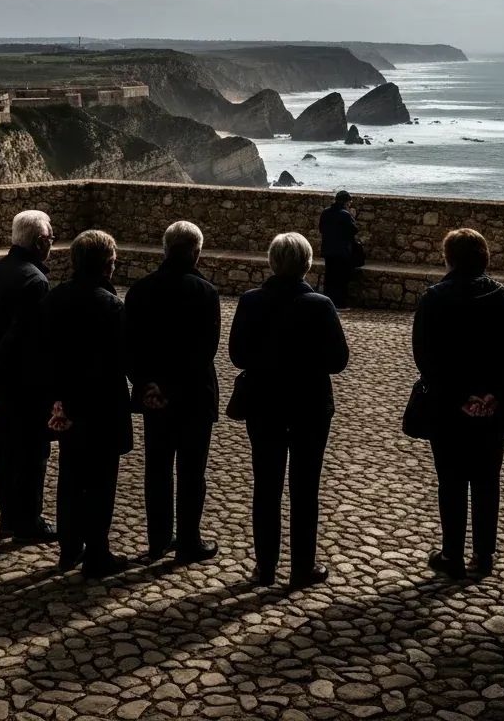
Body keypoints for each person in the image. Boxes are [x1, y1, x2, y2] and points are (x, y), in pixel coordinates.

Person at [411, 228, 504, 579]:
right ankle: (484, 554)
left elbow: (425, 358)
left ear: (449, 259)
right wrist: (494, 395)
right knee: (486, 480)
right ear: (484, 258)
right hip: (492, 410)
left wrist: (460, 399)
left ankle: (452, 554)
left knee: (450, 480)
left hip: (447, 408)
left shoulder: (433, 299)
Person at [229, 232, 348, 588]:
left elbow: (237, 355)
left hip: (264, 403)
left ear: (272, 261)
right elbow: (338, 360)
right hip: (309, 405)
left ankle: (265, 568)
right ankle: (302, 567)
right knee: (305, 486)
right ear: (307, 264)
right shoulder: (320, 305)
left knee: (266, 485)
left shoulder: (251, 301)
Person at [125, 221, 221, 564]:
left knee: (158, 468)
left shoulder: (139, 290)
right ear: (196, 253)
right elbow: (204, 352)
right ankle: (189, 541)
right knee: (192, 471)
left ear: (164, 249)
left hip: (154, 397)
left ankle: (158, 539)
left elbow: (130, 348)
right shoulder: (205, 293)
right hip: (194, 396)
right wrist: (174, 387)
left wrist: (149, 384)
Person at [42, 230, 133, 579]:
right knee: (100, 484)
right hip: (104, 409)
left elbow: (45, 354)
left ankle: (69, 549)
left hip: (67, 405)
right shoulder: (111, 307)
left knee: (69, 476)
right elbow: (124, 359)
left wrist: (57, 400)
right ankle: (98, 554)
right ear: (108, 266)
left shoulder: (54, 299)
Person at [0, 210, 55, 544]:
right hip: (25, 383)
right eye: (50, 238)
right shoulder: (35, 282)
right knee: (32, 453)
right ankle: (29, 520)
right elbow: (21, 336)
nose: (52, 243)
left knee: (6, 448)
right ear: (39, 242)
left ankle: (9, 517)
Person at [318, 190, 359, 309]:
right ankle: (340, 304)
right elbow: (354, 230)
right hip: (342, 251)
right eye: (349, 202)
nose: (349, 205)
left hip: (328, 250)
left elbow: (321, 228)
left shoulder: (325, 212)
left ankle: (328, 303)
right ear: (346, 202)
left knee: (330, 277)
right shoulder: (345, 214)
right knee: (341, 278)